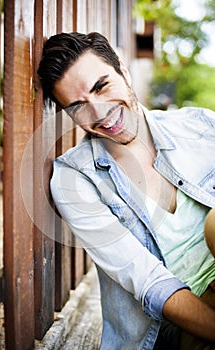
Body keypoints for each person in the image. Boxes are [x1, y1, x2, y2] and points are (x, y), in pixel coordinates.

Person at [37, 32, 215, 350]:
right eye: (78, 106)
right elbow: (150, 283)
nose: (100, 113)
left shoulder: (200, 125)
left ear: (123, 69)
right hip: (188, 322)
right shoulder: (74, 180)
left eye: (102, 86)